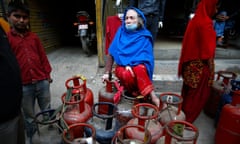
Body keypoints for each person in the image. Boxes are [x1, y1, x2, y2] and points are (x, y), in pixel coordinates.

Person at [6, 1, 52, 143]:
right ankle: (32, 136)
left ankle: (50, 126)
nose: (21, 20)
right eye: (17, 16)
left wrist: (47, 76)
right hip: (23, 85)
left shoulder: (34, 37)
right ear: (8, 17)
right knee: (29, 115)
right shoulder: (7, 39)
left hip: (41, 81)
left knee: (46, 107)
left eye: (25, 17)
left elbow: (42, 56)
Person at [102, 7, 160, 107]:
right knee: (126, 73)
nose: (128, 21)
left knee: (139, 69)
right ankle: (138, 94)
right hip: (122, 67)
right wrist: (107, 73)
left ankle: (148, 95)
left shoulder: (145, 36)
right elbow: (112, 52)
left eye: (132, 18)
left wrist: (132, 64)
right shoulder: (120, 33)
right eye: (126, 18)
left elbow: (146, 58)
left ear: (139, 20)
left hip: (139, 68)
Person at [178, 0, 218, 123]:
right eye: (215, 6)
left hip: (188, 65)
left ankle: (181, 116)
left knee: (187, 93)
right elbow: (208, 53)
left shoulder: (194, 21)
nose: (216, 10)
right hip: (200, 68)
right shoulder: (206, 24)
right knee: (197, 97)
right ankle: (186, 122)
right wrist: (211, 72)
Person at [0, 16, 25, 144]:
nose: (21, 20)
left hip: (15, 108)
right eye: (17, 16)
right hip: (3, 117)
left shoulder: (2, 26)